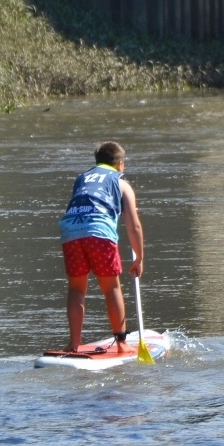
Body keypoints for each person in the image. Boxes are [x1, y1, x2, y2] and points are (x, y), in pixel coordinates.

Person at [59, 142, 145, 351]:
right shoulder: (121, 183)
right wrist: (139, 258)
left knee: (77, 289)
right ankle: (122, 343)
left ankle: (73, 344)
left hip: (70, 231)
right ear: (120, 164)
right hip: (99, 232)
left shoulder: (81, 178)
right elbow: (133, 225)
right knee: (111, 288)